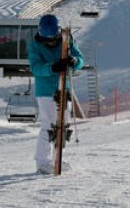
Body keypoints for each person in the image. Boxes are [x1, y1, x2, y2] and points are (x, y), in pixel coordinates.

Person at [28, 14, 84, 174]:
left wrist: (74, 61)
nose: (52, 43)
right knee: (49, 124)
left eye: (54, 39)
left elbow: (80, 58)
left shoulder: (67, 40)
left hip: (64, 88)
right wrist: (52, 67)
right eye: (48, 40)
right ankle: (42, 162)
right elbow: (36, 68)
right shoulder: (35, 45)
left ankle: (57, 158)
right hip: (46, 90)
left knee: (63, 124)